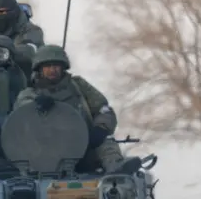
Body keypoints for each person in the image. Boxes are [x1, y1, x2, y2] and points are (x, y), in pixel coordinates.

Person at [13, 45, 141, 175]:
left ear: (63, 67)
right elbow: (22, 115)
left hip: (85, 146)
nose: (52, 70)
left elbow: (104, 110)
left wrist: (101, 128)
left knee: (106, 140)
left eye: (56, 65)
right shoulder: (30, 94)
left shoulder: (79, 86)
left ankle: (116, 166)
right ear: (39, 69)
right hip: (49, 154)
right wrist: (37, 107)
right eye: (47, 66)